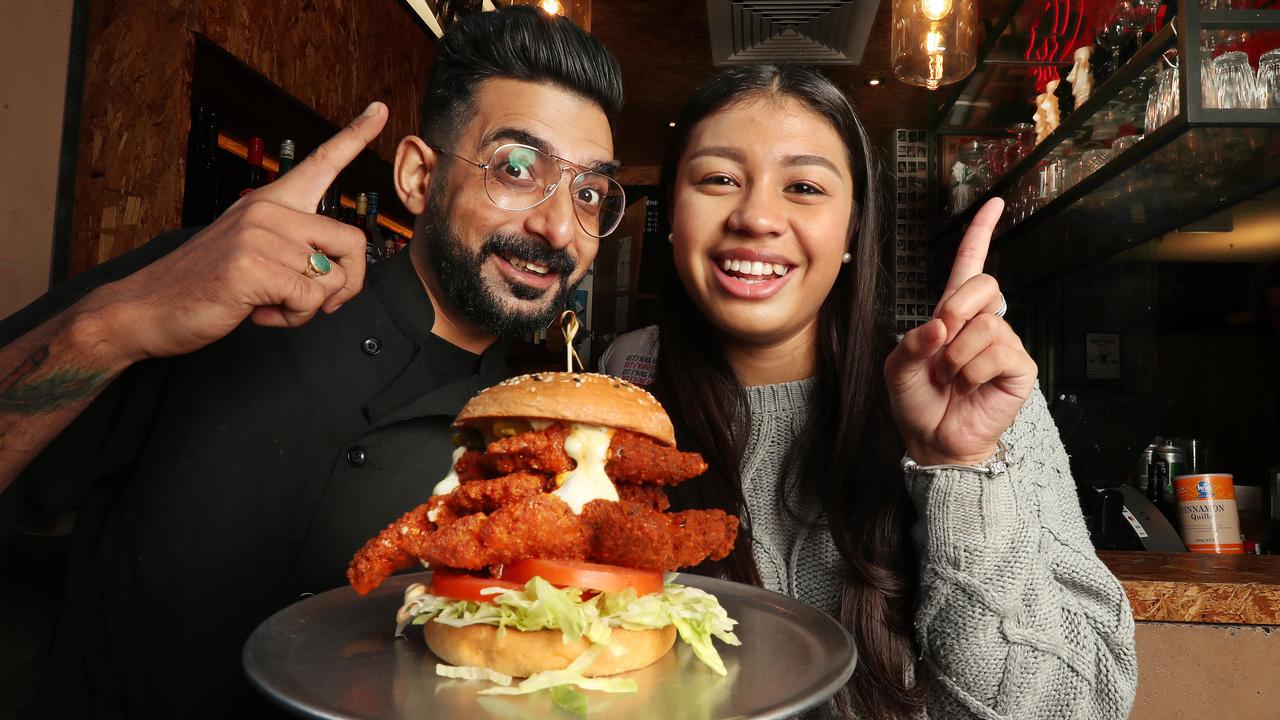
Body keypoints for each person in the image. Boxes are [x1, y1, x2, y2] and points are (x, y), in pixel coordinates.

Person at [0, 7, 623, 717]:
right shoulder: (211, 287)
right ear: (420, 177)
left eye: (589, 194)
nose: (555, 226)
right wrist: (116, 324)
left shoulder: (547, 447)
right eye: (516, 169)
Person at [601, 65, 1138, 719]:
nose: (757, 216)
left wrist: (960, 468)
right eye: (718, 179)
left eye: (803, 186)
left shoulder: (979, 403)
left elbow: (1073, 709)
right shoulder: (608, 427)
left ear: (854, 230)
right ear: (673, 216)